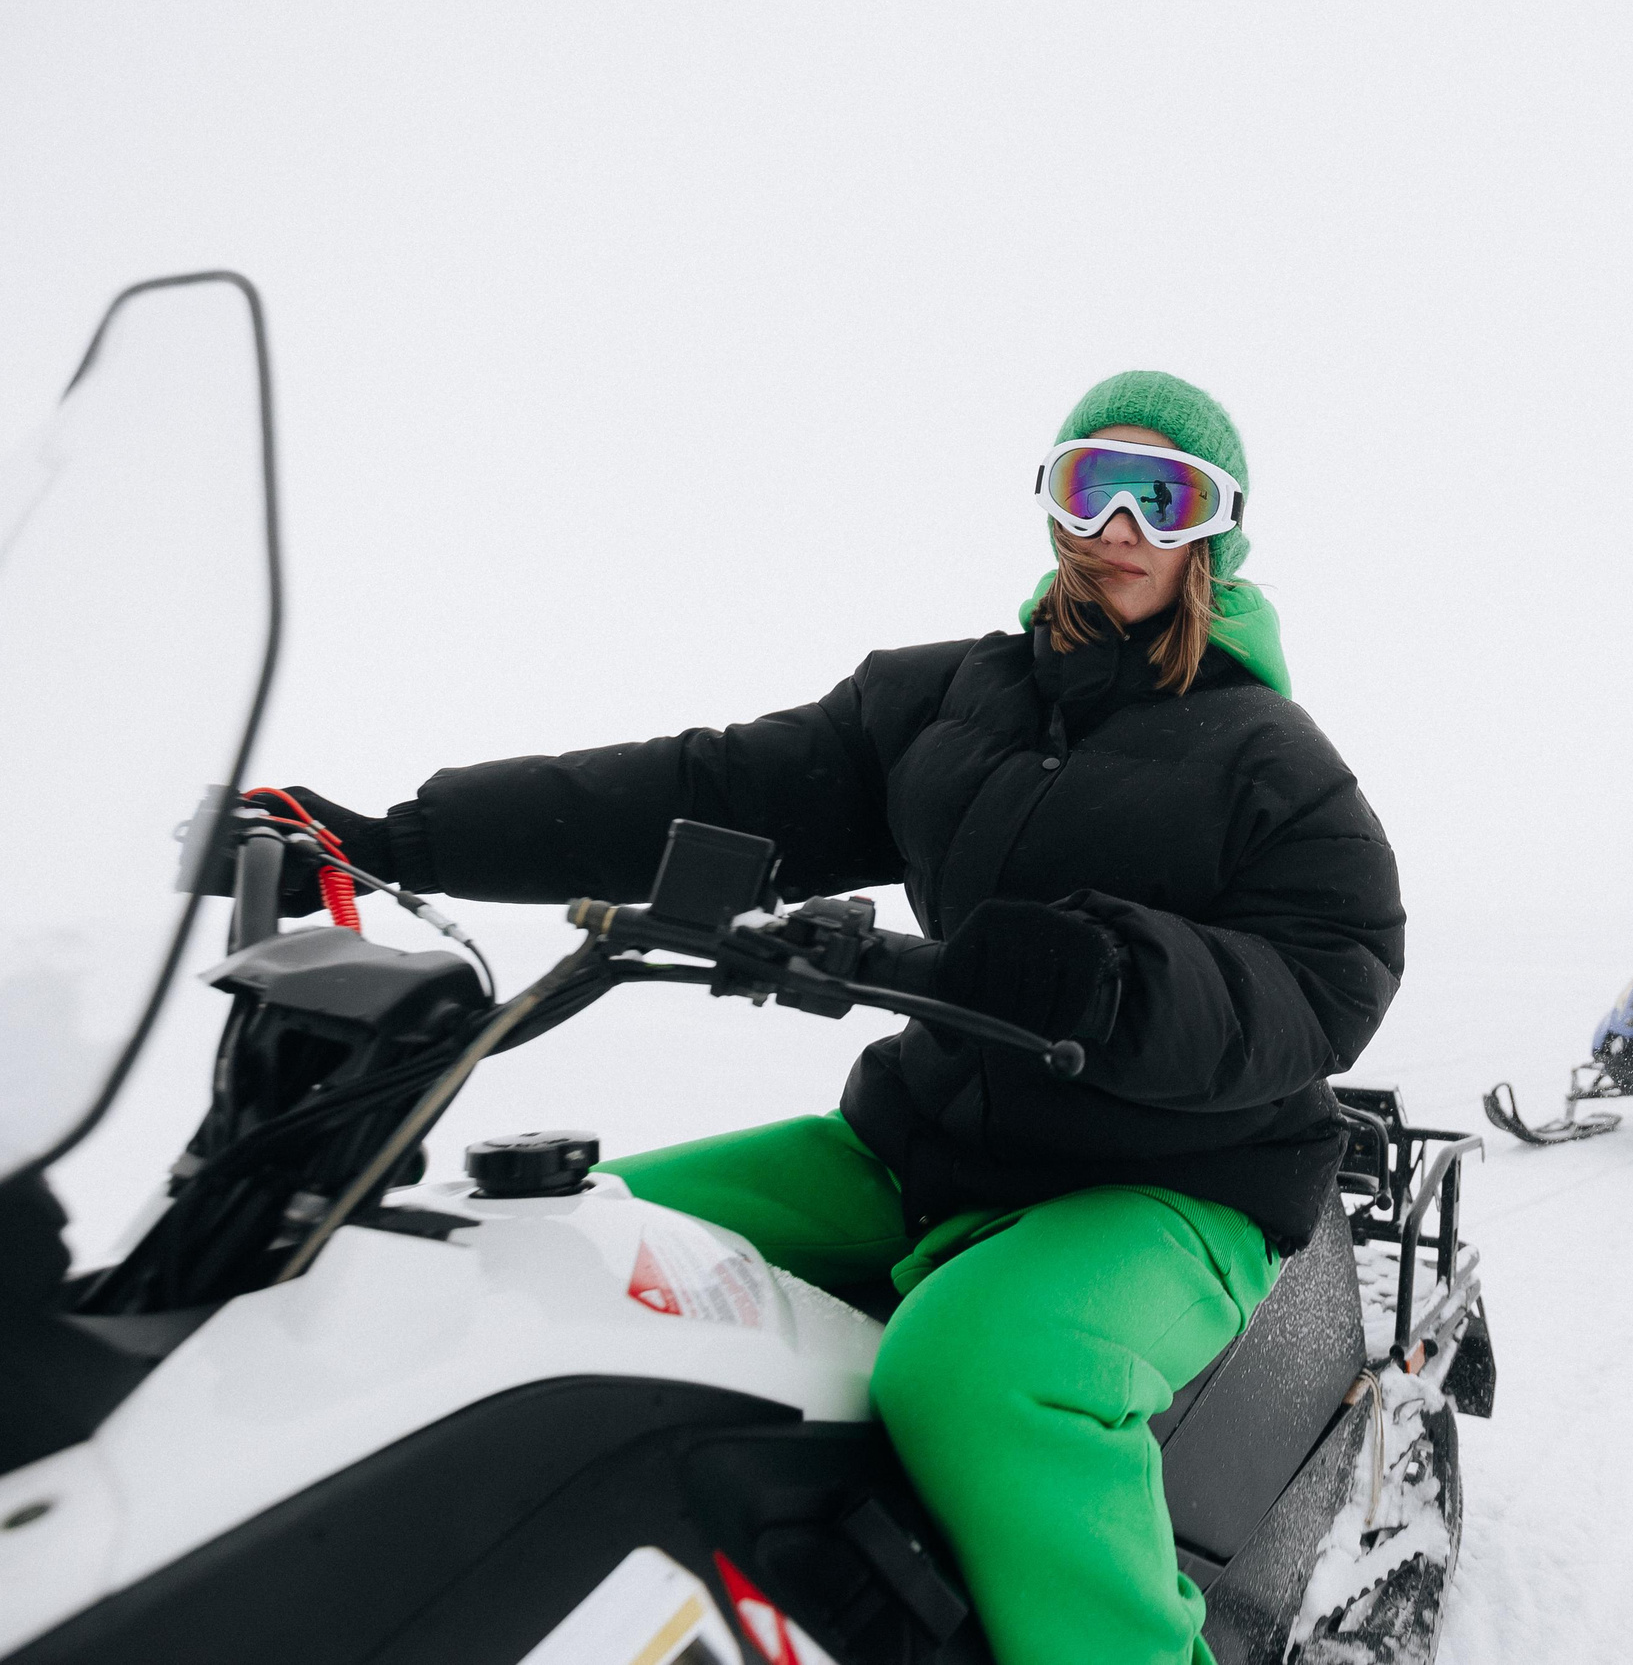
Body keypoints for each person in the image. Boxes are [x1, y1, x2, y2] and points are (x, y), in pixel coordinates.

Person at [281, 371, 1402, 1665]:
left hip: (1164, 1179)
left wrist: (1104, 978)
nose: (1125, 524)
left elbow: (1332, 974)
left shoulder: (1276, 758)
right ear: (1051, 496)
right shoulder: (936, 703)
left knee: (981, 1373)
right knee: (549, 1248)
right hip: (920, 1142)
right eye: (1098, 481)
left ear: (1218, 529)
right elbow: (702, 785)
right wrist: (394, 836)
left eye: (1170, 496)